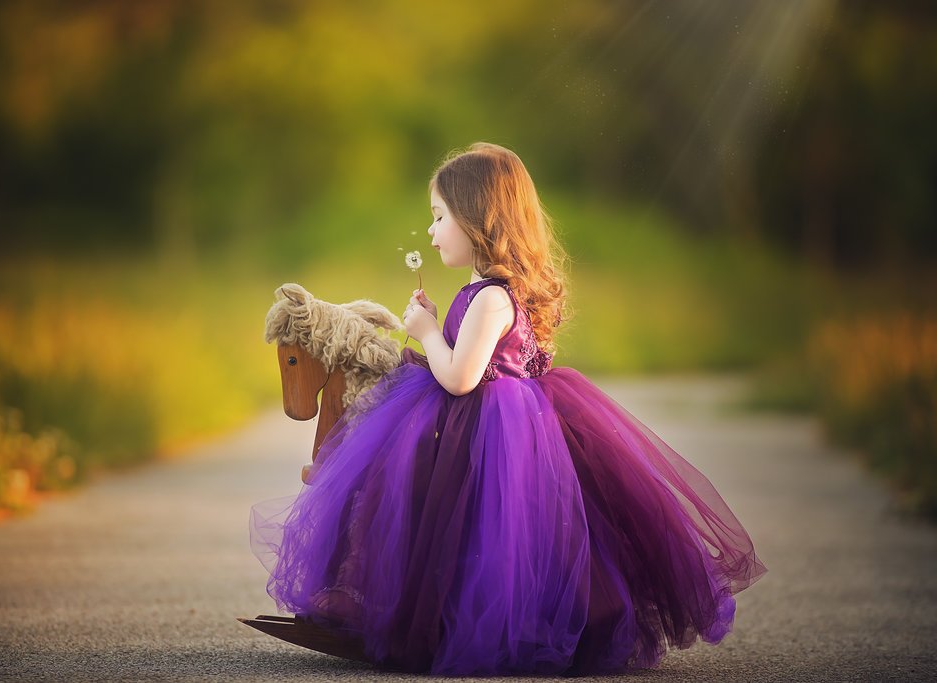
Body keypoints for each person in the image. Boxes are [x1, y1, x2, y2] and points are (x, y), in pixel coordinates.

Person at [249, 142, 767, 676]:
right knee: (446, 521)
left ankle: (462, 622)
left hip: (491, 429)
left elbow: (459, 377)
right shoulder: (479, 289)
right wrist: (433, 324)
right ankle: (408, 608)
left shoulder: (493, 297)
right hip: (480, 421)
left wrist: (425, 332)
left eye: (439, 217)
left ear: (477, 218)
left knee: (469, 520)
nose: (430, 231)